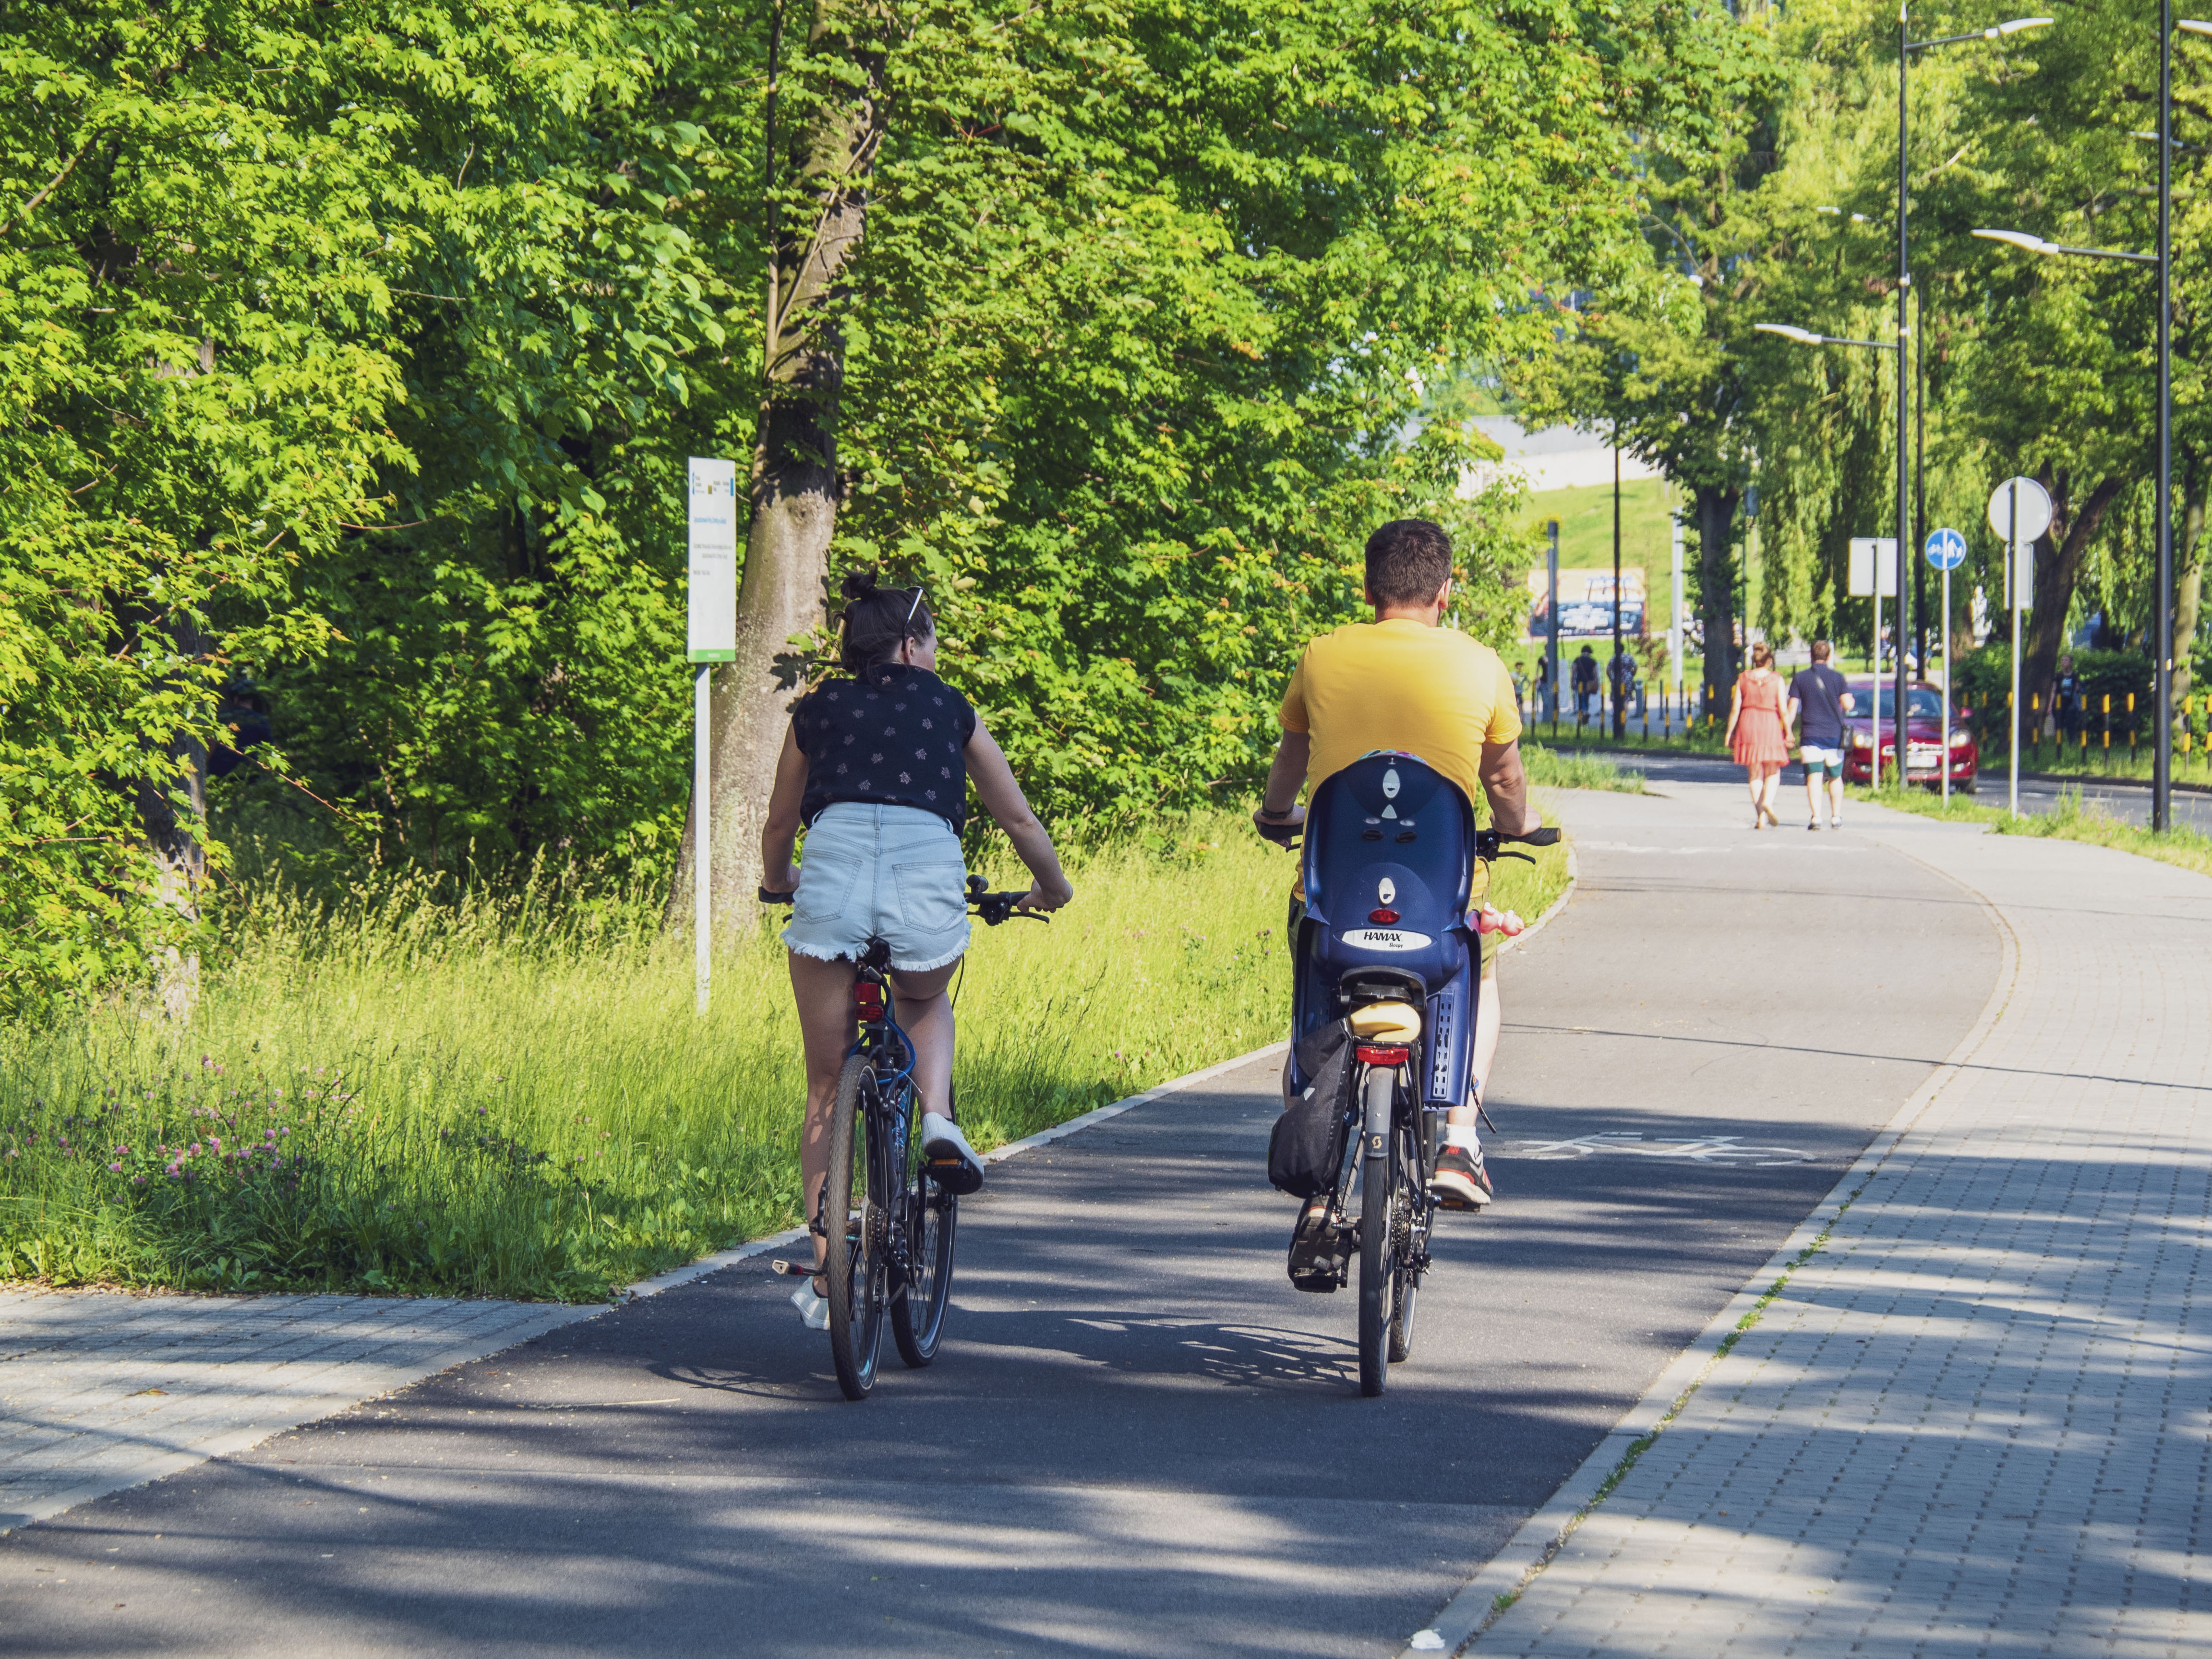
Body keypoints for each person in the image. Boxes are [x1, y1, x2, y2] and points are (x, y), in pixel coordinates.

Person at [759, 570, 1075, 1327]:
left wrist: (780, 883)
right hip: (924, 876)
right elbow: (1020, 820)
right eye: (931, 641)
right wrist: (1051, 888)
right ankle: (938, 1119)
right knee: (924, 999)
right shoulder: (950, 706)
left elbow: (778, 824)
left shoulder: (815, 709)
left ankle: (831, 1270)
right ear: (910, 643)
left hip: (831, 878)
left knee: (827, 1085)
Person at [1252, 519, 1532, 1212]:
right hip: (1440, 907)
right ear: (1445, 591)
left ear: (1369, 588)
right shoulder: (1481, 664)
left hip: (1333, 905)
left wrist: (1276, 812)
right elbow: (1504, 783)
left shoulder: (1322, 656)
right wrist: (1516, 829)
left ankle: (1319, 1198)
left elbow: (1291, 758)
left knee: (1313, 1010)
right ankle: (1460, 1142)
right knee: (1481, 974)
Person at [1787, 639, 1852, 830]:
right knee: (1835, 777)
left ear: (1811, 656)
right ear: (1829, 656)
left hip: (1810, 734)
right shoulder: (1838, 678)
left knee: (1814, 777)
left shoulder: (1800, 678)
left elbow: (1792, 707)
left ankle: (1816, 818)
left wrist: (1788, 730)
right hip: (1834, 735)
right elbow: (1848, 704)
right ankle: (1836, 817)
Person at [1727, 639, 1791, 828]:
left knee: (1754, 773)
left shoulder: (1744, 678)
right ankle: (1768, 802)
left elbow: (1735, 709)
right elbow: (1784, 709)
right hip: (1769, 722)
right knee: (1773, 770)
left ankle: (1760, 817)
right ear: (1769, 660)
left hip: (1748, 722)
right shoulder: (1777, 679)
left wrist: (1730, 732)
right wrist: (1788, 732)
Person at [1571, 645, 1599, 721]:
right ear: (1590, 652)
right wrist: (1596, 682)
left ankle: (1583, 713)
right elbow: (1595, 673)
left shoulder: (1577, 660)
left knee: (1581, 698)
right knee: (1586, 697)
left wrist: (1572, 682)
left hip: (1579, 682)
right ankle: (1585, 711)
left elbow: (1573, 672)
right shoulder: (1593, 661)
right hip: (1589, 683)